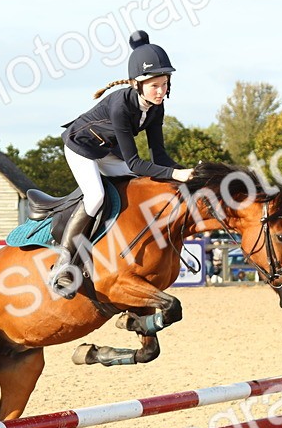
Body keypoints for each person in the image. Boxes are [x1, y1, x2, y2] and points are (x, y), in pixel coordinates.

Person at [49, 30, 193, 298]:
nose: (161, 91)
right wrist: (176, 174)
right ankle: (64, 265)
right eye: (154, 85)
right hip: (81, 148)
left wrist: (186, 175)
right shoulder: (121, 107)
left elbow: (159, 158)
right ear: (137, 84)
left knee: (142, 185)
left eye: (165, 84)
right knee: (96, 197)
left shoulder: (156, 107)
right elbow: (136, 163)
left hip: (107, 151)